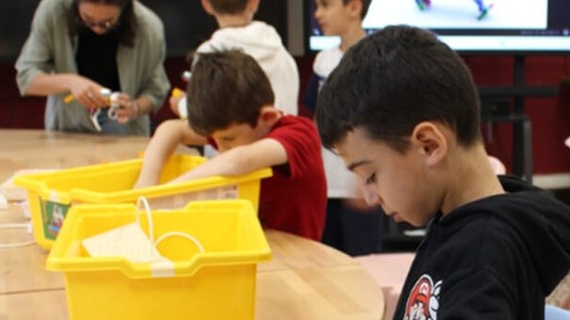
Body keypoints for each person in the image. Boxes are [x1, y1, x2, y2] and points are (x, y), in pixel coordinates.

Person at [239, 26, 570, 320]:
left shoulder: (487, 249)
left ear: (428, 144)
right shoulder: (458, 221)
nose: (369, 196)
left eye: (370, 175)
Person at [133, 50, 326, 241]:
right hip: (248, 245)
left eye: (227, 139)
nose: (220, 147)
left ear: (267, 117)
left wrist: (163, 195)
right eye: (214, 139)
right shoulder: (233, 131)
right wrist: (146, 183)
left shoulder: (300, 134)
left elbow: (239, 159)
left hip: (296, 255)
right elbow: (171, 129)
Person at [15, 0, 169, 136]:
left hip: (124, 132)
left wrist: (135, 108)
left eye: (108, 22)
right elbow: (26, 77)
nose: (97, 29)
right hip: (67, 128)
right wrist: (71, 82)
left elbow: (156, 90)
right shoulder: (53, 11)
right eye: (88, 20)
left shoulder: (148, 27)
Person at [305, 0, 384, 256]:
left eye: (326, 6)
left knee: (364, 264)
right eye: (317, 6)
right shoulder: (323, 61)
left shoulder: (379, 59)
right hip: (325, 188)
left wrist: (367, 179)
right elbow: (316, 122)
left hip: (361, 189)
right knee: (327, 264)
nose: (318, 14)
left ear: (354, 8)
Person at [171, 0, 299, 116]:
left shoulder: (209, 54)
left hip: (237, 142)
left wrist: (182, 105)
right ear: (254, 2)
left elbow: (206, 116)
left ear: (206, 5)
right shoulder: (280, 51)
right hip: (283, 140)